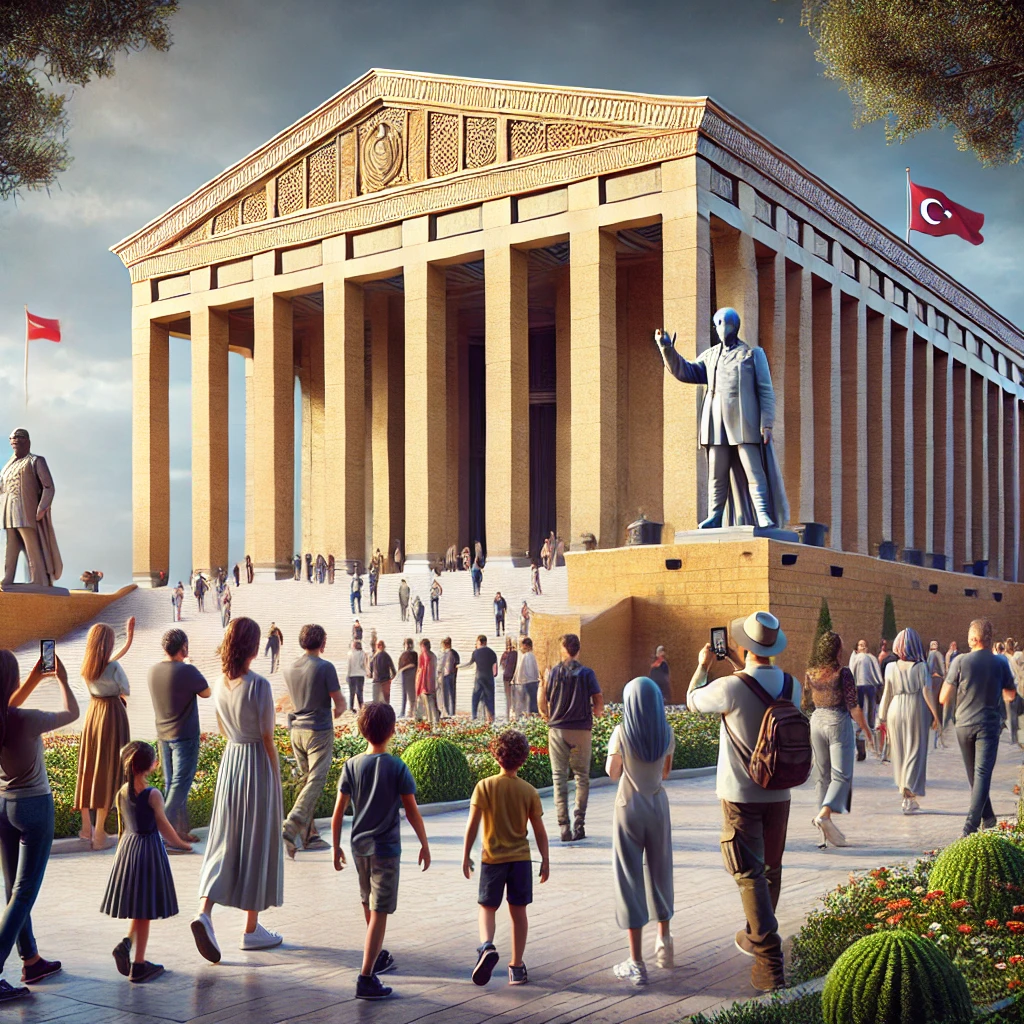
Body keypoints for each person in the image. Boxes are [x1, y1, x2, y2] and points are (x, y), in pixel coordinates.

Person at [686, 610, 799, 992]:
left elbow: (692, 701)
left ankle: (769, 960)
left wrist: (703, 667)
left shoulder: (730, 687)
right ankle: (754, 936)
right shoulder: (791, 685)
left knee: (747, 872)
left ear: (744, 647)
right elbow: (759, 687)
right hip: (779, 791)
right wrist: (739, 665)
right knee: (771, 869)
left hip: (739, 793)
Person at [191, 618, 284, 962]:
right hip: (256, 763)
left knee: (224, 838)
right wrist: (275, 779)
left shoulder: (218, 683)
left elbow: (221, 730)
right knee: (257, 840)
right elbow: (267, 738)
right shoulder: (259, 685)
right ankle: (251, 929)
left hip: (231, 763)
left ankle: (204, 911)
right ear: (253, 647)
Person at [332, 702, 430, 1000]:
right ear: (392, 730)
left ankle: (375, 957)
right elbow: (412, 812)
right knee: (380, 909)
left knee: (368, 902)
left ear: (361, 730)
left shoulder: (351, 765)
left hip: (359, 846)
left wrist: (336, 846)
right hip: (385, 849)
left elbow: (338, 812)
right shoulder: (398, 766)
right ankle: (366, 977)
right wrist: (425, 844)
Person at [655, 311, 788, 530]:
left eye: (726, 323)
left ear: (736, 326)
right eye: (718, 323)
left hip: (744, 422)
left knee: (753, 470)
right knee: (717, 474)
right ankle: (715, 515)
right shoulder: (710, 356)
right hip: (715, 423)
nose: (722, 327)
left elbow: (766, 390)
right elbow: (686, 371)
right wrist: (667, 349)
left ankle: (763, 513)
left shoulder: (752, 354)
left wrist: (767, 423)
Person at [0, 650, 79, 1001]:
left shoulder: (4, 718)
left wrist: (32, 678)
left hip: (3, 806)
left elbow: (6, 705)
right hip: (34, 806)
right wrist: (60, 678)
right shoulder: (27, 719)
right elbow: (73, 713)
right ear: (12, 682)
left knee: (12, 890)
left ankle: (30, 959)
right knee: (24, 893)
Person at [463, 729, 548, 987]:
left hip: (492, 859)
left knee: (487, 908)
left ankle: (487, 946)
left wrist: (465, 854)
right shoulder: (529, 791)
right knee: (518, 912)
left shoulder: (484, 787)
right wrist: (545, 859)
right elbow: (539, 830)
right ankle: (516, 966)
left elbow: (472, 825)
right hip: (521, 859)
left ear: (496, 755)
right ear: (523, 759)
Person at [103, 741, 191, 983]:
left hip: (128, 849)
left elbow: (123, 828)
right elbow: (164, 826)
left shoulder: (122, 792)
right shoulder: (153, 794)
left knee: (139, 907)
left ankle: (127, 944)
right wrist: (181, 844)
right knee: (145, 909)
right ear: (152, 765)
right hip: (148, 850)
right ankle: (139, 964)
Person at [607, 677, 676, 987]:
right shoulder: (667, 732)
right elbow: (665, 772)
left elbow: (612, 773)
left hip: (629, 807)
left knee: (629, 879)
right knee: (661, 872)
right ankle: (664, 940)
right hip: (658, 806)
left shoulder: (621, 733)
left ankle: (636, 962)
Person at [941, 619, 1017, 837]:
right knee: (982, 774)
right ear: (989, 638)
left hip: (963, 724)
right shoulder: (1001, 662)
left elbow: (943, 696)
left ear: (973, 639)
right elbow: (1010, 695)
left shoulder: (960, 661)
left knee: (974, 776)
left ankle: (989, 818)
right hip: (988, 724)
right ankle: (970, 827)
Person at [803, 630, 874, 849]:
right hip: (837, 721)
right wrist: (866, 729)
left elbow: (805, 702)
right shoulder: (843, 673)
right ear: (836, 650)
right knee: (842, 776)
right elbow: (853, 705)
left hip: (816, 721)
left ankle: (823, 834)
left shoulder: (811, 673)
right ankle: (824, 815)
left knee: (822, 776)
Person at [282, 624, 345, 858]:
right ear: (322, 643)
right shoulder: (325, 667)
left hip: (296, 729)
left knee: (306, 782)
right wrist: (340, 710)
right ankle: (292, 825)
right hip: (318, 729)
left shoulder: (289, 667)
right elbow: (339, 703)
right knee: (316, 781)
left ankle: (310, 836)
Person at [75, 618, 134, 850]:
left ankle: (86, 827)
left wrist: (128, 641)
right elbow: (125, 689)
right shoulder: (114, 668)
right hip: (112, 715)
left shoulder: (87, 666)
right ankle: (99, 834)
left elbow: (106, 664)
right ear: (107, 644)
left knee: (89, 766)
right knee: (107, 769)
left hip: (93, 714)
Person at [539, 633, 603, 843]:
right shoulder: (587, 673)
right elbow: (598, 698)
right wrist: (598, 712)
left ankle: (564, 827)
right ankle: (579, 824)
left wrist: (542, 687)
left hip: (557, 730)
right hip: (581, 730)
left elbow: (542, 704)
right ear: (578, 650)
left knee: (559, 779)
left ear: (563, 649)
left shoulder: (554, 672)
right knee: (581, 777)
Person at [147, 629, 210, 842]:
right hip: (184, 735)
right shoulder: (187, 670)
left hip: (163, 735)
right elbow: (206, 692)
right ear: (183, 647)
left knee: (171, 784)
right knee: (180, 785)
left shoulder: (153, 670)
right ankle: (160, 832)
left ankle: (178, 832)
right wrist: (189, 665)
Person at [878, 628, 941, 814]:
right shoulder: (922, 667)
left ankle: (904, 792)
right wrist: (936, 715)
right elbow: (927, 692)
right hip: (916, 707)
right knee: (915, 749)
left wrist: (881, 716)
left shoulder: (890, 667)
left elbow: (886, 693)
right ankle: (909, 791)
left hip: (895, 708)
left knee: (899, 750)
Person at [1, 428, 62, 588]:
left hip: (27, 512)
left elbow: (49, 487)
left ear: (27, 441)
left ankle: (39, 579)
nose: (14, 440)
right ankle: (8, 577)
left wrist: (41, 508)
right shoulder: (7, 466)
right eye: (12, 438)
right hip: (9, 513)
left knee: (31, 546)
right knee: (11, 546)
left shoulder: (35, 461)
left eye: (19, 437)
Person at [848, 640, 883, 761]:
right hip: (859, 687)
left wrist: (878, 683)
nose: (863, 647)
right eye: (860, 645)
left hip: (870, 686)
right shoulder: (856, 658)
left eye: (864, 645)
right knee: (860, 712)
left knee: (871, 710)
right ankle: (862, 742)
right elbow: (852, 671)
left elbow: (876, 671)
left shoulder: (871, 658)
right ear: (857, 647)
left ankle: (871, 728)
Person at [470, 636, 499, 724]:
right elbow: (495, 671)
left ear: (479, 642)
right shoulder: (492, 653)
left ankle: (474, 715)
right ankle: (491, 717)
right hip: (489, 678)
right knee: (490, 698)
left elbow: (470, 663)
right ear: (485, 642)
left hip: (479, 678)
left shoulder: (475, 653)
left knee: (476, 696)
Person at [511, 638, 540, 718]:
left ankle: (526, 718)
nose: (521, 648)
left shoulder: (526, 656)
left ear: (526, 646)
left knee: (526, 704)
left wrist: (517, 681)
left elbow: (521, 670)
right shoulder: (532, 656)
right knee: (532, 704)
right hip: (532, 682)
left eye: (522, 646)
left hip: (526, 683)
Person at [926, 640, 947, 748]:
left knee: (933, 701)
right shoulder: (936, 654)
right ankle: (937, 722)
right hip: (937, 679)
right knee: (937, 703)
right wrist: (942, 676)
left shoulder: (930, 654)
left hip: (932, 680)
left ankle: (934, 722)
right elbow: (942, 667)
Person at [415, 640, 440, 727]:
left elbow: (421, 671)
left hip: (424, 685)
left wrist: (418, 685)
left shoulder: (423, 655)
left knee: (426, 705)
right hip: (432, 684)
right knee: (433, 704)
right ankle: (436, 721)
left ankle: (429, 722)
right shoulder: (433, 655)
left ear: (423, 646)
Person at [438, 639, 460, 718]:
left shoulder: (447, 654)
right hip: (452, 675)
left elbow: (443, 666)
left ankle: (448, 712)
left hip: (446, 676)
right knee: (451, 694)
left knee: (446, 695)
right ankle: (451, 712)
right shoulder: (454, 653)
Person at [397, 640, 418, 719]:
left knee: (411, 695)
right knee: (404, 695)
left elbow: (413, 664)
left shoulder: (414, 654)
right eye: (407, 644)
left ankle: (412, 712)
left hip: (411, 675)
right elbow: (400, 665)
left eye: (409, 644)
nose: (408, 646)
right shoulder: (403, 654)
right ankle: (403, 712)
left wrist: (402, 669)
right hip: (404, 676)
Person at [499, 638, 518, 718]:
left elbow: (502, 665)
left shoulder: (505, 654)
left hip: (507, 677)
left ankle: (508, 714)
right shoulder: (516, 654)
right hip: (514, 678)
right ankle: (513, 713)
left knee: (508, 698)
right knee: (514, 697)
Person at [347, 640, 366, 711]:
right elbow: (363, 664)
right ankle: (361, 707)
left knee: (352, 692)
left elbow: (349, 665)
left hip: (352, 674)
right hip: (360, 674)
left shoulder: (350, 653)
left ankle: (351, 708)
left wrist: (348, 675)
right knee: (360, 692)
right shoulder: (363, 653)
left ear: (353, 646)